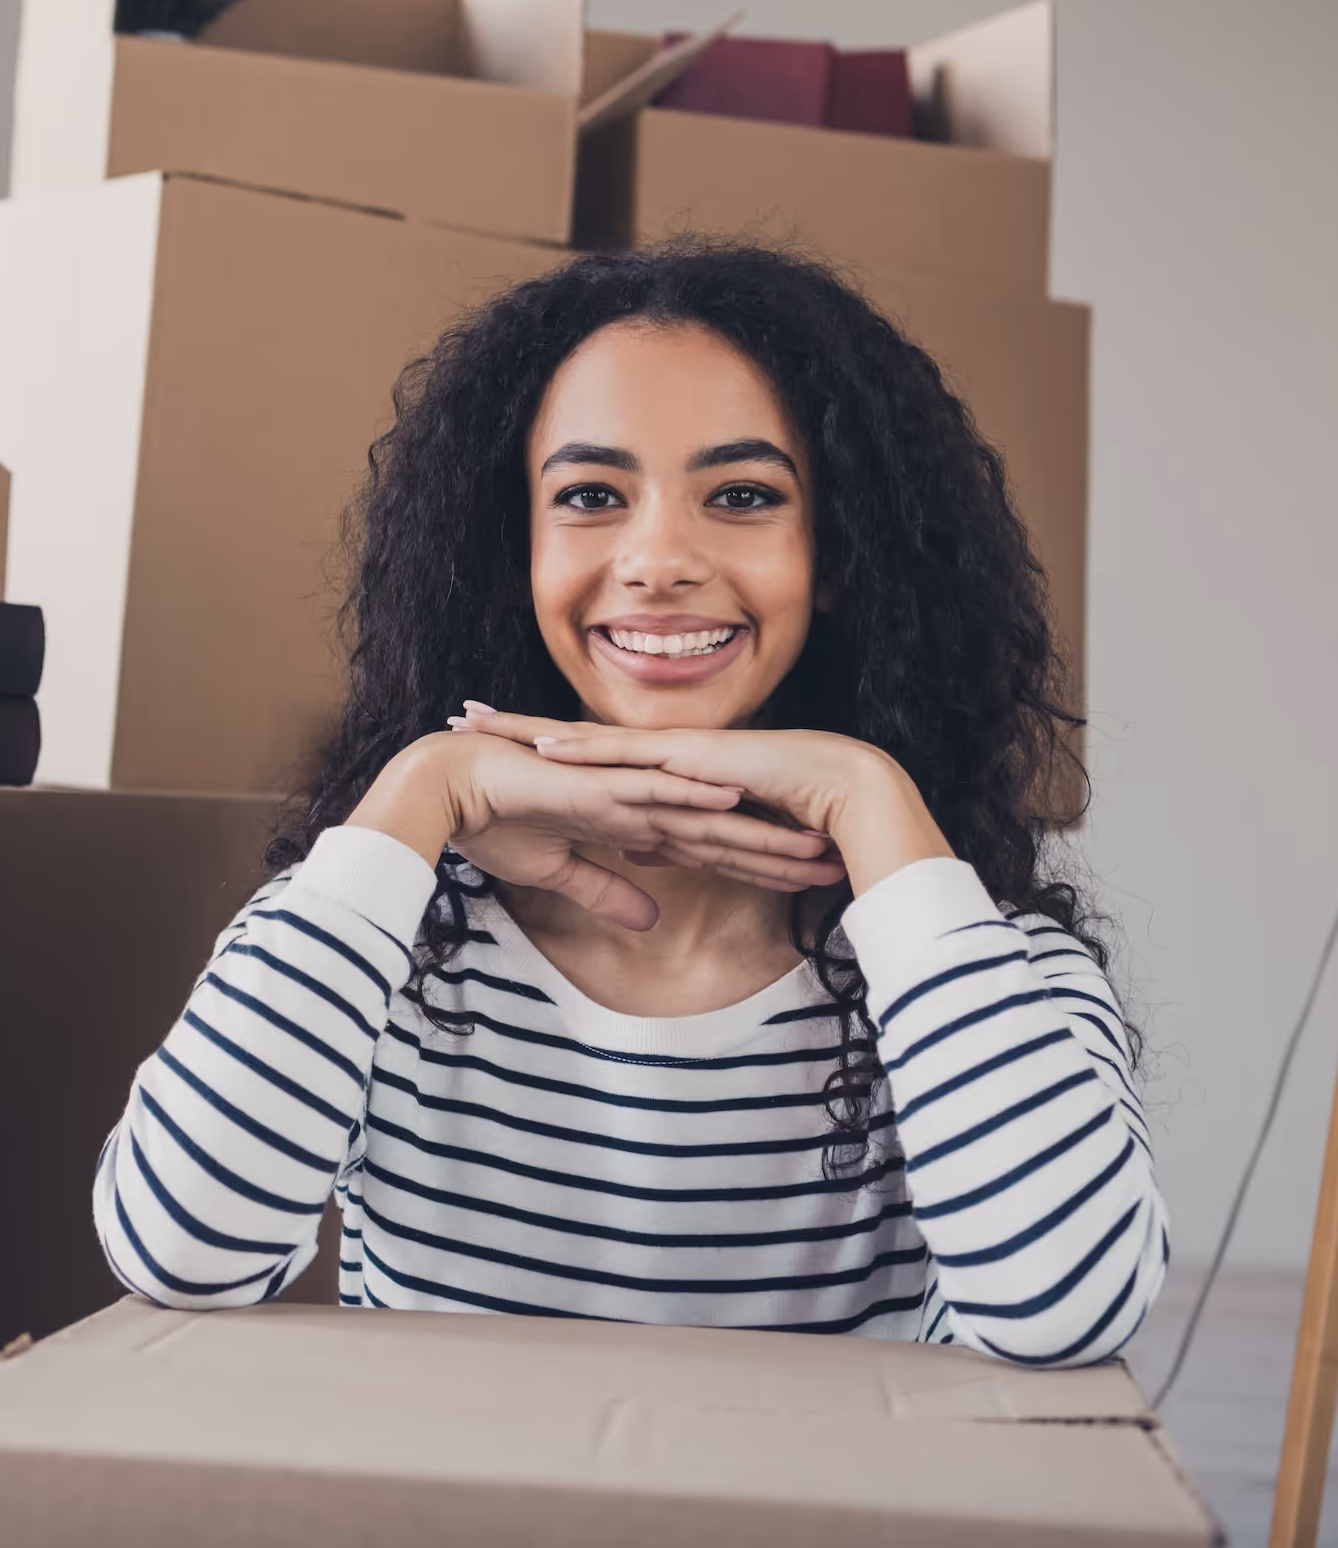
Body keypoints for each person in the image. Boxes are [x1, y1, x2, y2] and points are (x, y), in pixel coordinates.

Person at [91, 239, 1162, 1363]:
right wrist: (419, 787)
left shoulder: (979, 965)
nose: (657, 558)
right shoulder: (380, 930)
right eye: (592, 495)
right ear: (516, 552)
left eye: (743, 495)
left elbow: (1066, 1309)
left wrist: (871, 793)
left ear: (838, 554)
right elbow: (182, 1251)